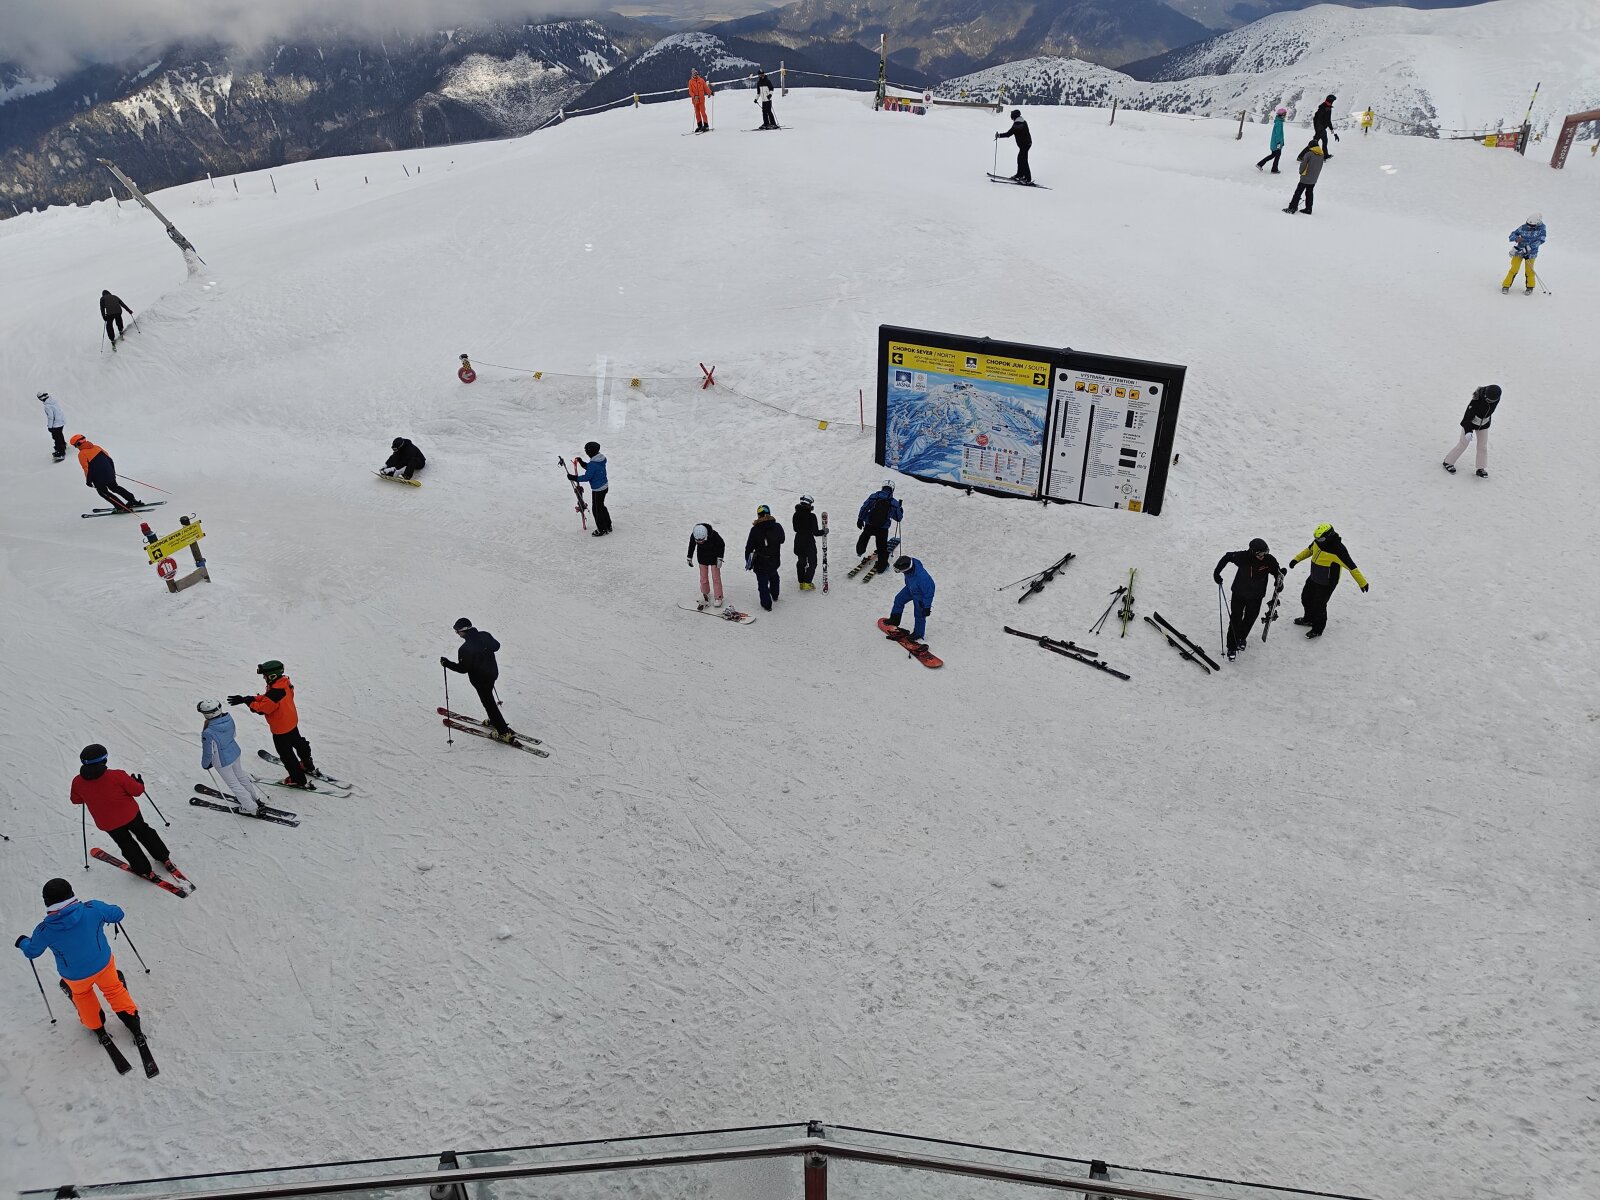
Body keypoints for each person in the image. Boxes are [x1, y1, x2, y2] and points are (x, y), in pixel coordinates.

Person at [15, 878, 144, 1038]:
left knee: (83, 997)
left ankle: (95, 1024)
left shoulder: (44, 931)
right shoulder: (93, 908)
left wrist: (23, 942)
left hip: (75, 976)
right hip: (103, 963)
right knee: (114, 989)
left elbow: (32, 952)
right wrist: (111, 910)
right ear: (72, 893)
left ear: (47, 902)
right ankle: (132, 1020)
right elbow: (117, 914)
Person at [70, 744, 177, 880]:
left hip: (107, 822)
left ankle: (144, 870)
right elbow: (137, 791)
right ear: (104, 760)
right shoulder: (117, 775)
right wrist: (139, 783)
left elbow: (76, 800)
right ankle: (163, 857)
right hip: (131, 815)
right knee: (145, 832)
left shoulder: (77, 782)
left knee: (126, 843)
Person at [229, 660, 316, 787]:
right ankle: (307, 764)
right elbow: (268, 697)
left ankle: (298, 779)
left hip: (280, 729)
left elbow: (262, 709)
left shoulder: (275, 692)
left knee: (287, 755)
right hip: (291, 722)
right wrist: (250, 698)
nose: (264, 678)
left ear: (272, 676)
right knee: (299, 742)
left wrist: (248, 702)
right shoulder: (284, 683)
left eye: (265, 675)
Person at [1288, 524, 1368, 639]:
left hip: (1327, 582)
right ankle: (1309, 619)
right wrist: (1296, 559)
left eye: (1320, 538)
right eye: (1316, 538)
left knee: (1319, 605)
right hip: (1314, 576)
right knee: (1305, 597)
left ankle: (1317, 629)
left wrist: (1362, 582)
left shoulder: (1338, 550)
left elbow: (1352, 567)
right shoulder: (1318, 542)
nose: (1317, 541)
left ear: (1329, 536)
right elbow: (1309, 550)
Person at [1213, 538, 1283, 661]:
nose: (1263, 556)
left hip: (1256, 596)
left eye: (1265, 552)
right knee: (1236, 619)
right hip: (1239, 594)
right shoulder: (1242, 557)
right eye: (1260, 554)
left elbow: (1277, 572)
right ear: (1252, 552)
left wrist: (1279, 583)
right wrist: (1216, 573)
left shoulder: (1269, 560)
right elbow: (1227, 557)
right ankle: (1231, 646)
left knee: (1250, 618)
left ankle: (1241, 638)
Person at [441, 618, 512, 737]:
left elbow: (463, 669)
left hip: (480, 681)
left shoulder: (464, 649)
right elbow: (497, 646)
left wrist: (447, 663)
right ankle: (494, 720)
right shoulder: (484, 635)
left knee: (489, 704)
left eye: (457, 631)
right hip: (493, 673)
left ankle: (503, 732)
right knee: (489, 699)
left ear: (463, 630)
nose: (457, 634)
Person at [198, 699, 264, 815]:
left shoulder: (208, 733)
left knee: (234, 784)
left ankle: (251, 808)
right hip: (234, 752)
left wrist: (205, 764)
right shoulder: (228, 718)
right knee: (241, 776)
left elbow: (208, 752)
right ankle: (254, 798)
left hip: (222, 761)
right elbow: (233, 734)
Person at [69, 434, 143, 511]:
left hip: (98, 478)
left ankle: (121, 507)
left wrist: (88, 481)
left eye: (75, 446)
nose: (76, 447)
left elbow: (86, 468)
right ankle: (132, 500)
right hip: (109, 473)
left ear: (78, 444)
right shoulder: (96, 447)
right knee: (115, 487)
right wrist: (112, 471)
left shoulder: (82, 454)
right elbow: (109, 459)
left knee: (103, 492)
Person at [1443, 384, 1502, 478]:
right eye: (1488, 400)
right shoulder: (1476, 401)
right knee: (1463, 444)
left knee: (1482, 446)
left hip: (1484, 424)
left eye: (1491, 401)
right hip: (1470, 423)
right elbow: (1467, 417)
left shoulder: (1496, 398)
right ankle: (1448, 462)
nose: (1489, 402)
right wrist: (1468, 431)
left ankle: (1480, 468)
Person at [886, 555, 935, 647]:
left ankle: (918, 633)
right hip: (910, 588)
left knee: (919, 614)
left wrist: (927, 607)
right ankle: (894, 620)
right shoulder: (910, 564)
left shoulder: (923, 577)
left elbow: (929, 592)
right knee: (898, 599)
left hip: (920, 595)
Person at [744, 504, 786, 611]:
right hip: (774, 560)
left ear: (758, 515)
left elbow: (749, 548)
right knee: (774, 577)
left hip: (760, 563)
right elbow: (782, 539)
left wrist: (748, 562)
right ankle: (775, 595)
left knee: (763, 584)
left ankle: (767, 605)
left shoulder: (755, 530)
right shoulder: (777, 526)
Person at [856, 481, 903, 573]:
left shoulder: (874, 496)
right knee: (882, 547)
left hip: (870, 523)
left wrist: (860, 519)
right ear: (892, 490)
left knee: (865, 536)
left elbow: (864, 507)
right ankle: (881, 567)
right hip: (882, 528)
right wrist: (900, 509)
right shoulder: (893, 502)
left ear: (882, 487)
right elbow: (898, 518)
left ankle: (860, 550)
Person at [567, 441, 611, 536]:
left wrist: (574, 478)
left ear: (590, 452)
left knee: (596, 509)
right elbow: (592, 469)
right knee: (601, 506)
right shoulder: (601, 459)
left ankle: (601, 529)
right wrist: (582, 463)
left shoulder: (593, 464)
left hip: (598, 489)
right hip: (604, 486)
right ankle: (608, 525)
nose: (586, 453)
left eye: (586, 451)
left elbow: (587, 476)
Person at [1501, 214, 1546, 295]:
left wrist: (1528, 248)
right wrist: (1515, 238)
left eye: (1532, 225)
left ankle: (1530, 287)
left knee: (1529, 271)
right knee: (1514, 269)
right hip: (1519, 251)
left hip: (1531, 253)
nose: (1529, 226)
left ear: (1537, 223)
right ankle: (1506, 286)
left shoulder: (1541, 229)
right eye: (1528, 224)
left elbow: (1541, 240)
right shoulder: (1523, 227)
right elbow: (1513, 234)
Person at [687, 523, 728, 610]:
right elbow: (692, 545)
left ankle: (718, 597)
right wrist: (689, 557)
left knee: (716, 578)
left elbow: (721, 545)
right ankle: (705, 594)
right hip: (702, 558)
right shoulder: (694, 535)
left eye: (702, 540)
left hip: (714, 558)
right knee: (703, 578)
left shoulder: (714, 535)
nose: (700, 542)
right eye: (698, 541)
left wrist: (720, 558)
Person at [792, 495, 824, 590]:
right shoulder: (811, 516)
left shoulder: (795, 514)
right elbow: (816, 532)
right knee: (812, 562)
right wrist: (824, 531)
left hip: (798, 541)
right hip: (808, 542)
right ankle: (807, 582)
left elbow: (795, 528)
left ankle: (801, 582)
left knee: (801, 561)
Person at [1283, 142, 1325, 215]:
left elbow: (1303, 164)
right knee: (1309, 193)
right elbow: (1320, 166)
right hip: (1314, 178)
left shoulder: (1309, 154)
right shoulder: (1321, 155)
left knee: (1298, 192)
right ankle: (1308, 209)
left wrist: (1301, 172)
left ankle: (1292, 208)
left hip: (1305, 177)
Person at [995, 109, 1032, 183]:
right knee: (1020, 159)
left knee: (1023, 160)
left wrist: (999, 135)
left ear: (1013, 117)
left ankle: (1027, 179)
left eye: (1011, 117)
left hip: (1024, 145)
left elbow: (1008, 134)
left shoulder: (1017, 125)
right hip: (1027, 144)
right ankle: (1020, 175)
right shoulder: (1023, 122)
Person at [1257, 107, 1287, 173]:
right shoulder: (1279, 123)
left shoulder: (1278, 122)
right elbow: (1278, 135)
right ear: (1281, 115)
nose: (1285, 115)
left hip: (1275, 143)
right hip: (1276, 144)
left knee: (1273, 155)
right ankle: (1274, 169)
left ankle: (1260, 164)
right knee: (1277, 155)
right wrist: (1279, 143)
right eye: (1284, 114)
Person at [39, 391, 66, 460]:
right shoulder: (54, 402)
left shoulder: (47, 406)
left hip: (56, 424)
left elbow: (51, 417)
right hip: (61, 422)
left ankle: (60, 452)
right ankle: (63, 445)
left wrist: (50, 427)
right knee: (60, 435)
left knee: (56, 437)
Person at [688, 68, 713, 132]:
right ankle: (700, 126)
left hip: (701, 99)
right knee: (697, 113)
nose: (696, 75)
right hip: (695, 101)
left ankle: (706, 126)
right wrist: (694, 96)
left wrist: (710, 92)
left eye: (696, 74)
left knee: (703, 112)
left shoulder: (701, 80)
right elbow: (690, 91)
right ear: (692, 75)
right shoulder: (690, 82)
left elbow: (706, 88)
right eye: (694, 74)